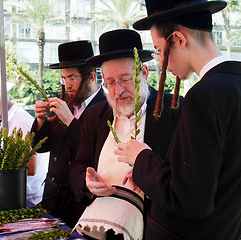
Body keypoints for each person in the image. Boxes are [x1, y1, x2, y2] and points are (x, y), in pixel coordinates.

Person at [115, 1, 241, 239]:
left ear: (179, 39)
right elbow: (213, 178)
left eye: (158, 50)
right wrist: (149, 176)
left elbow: (190, 200)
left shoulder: (204, 95)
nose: (160, 62)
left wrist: (140, 157)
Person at [70, 29, 183, 240]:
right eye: (110, 82)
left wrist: (149, 175)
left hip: (151, 230)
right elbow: (78, 165)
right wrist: (87, 182)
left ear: (144, 73)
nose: (118, 91)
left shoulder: (175, 111)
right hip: (98, 229)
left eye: (126, 79)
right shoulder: (95, 115)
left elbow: (185, 178)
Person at [31, 40, 106, 228]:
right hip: (52, 199)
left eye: (72, 78)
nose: (67, 85)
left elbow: (95, 153)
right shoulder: (64, 103)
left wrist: (70, 122)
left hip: (80, 206)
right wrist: (40, 120)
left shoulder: (106, 107)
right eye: (64, 78)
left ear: (91, 77)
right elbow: (41, 147)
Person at [0, 79, 45, 204]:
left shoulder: (20, 122)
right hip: (9, 191)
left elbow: (30, 167)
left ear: (1, 95)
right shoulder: (1, 119)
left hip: (26, 198)